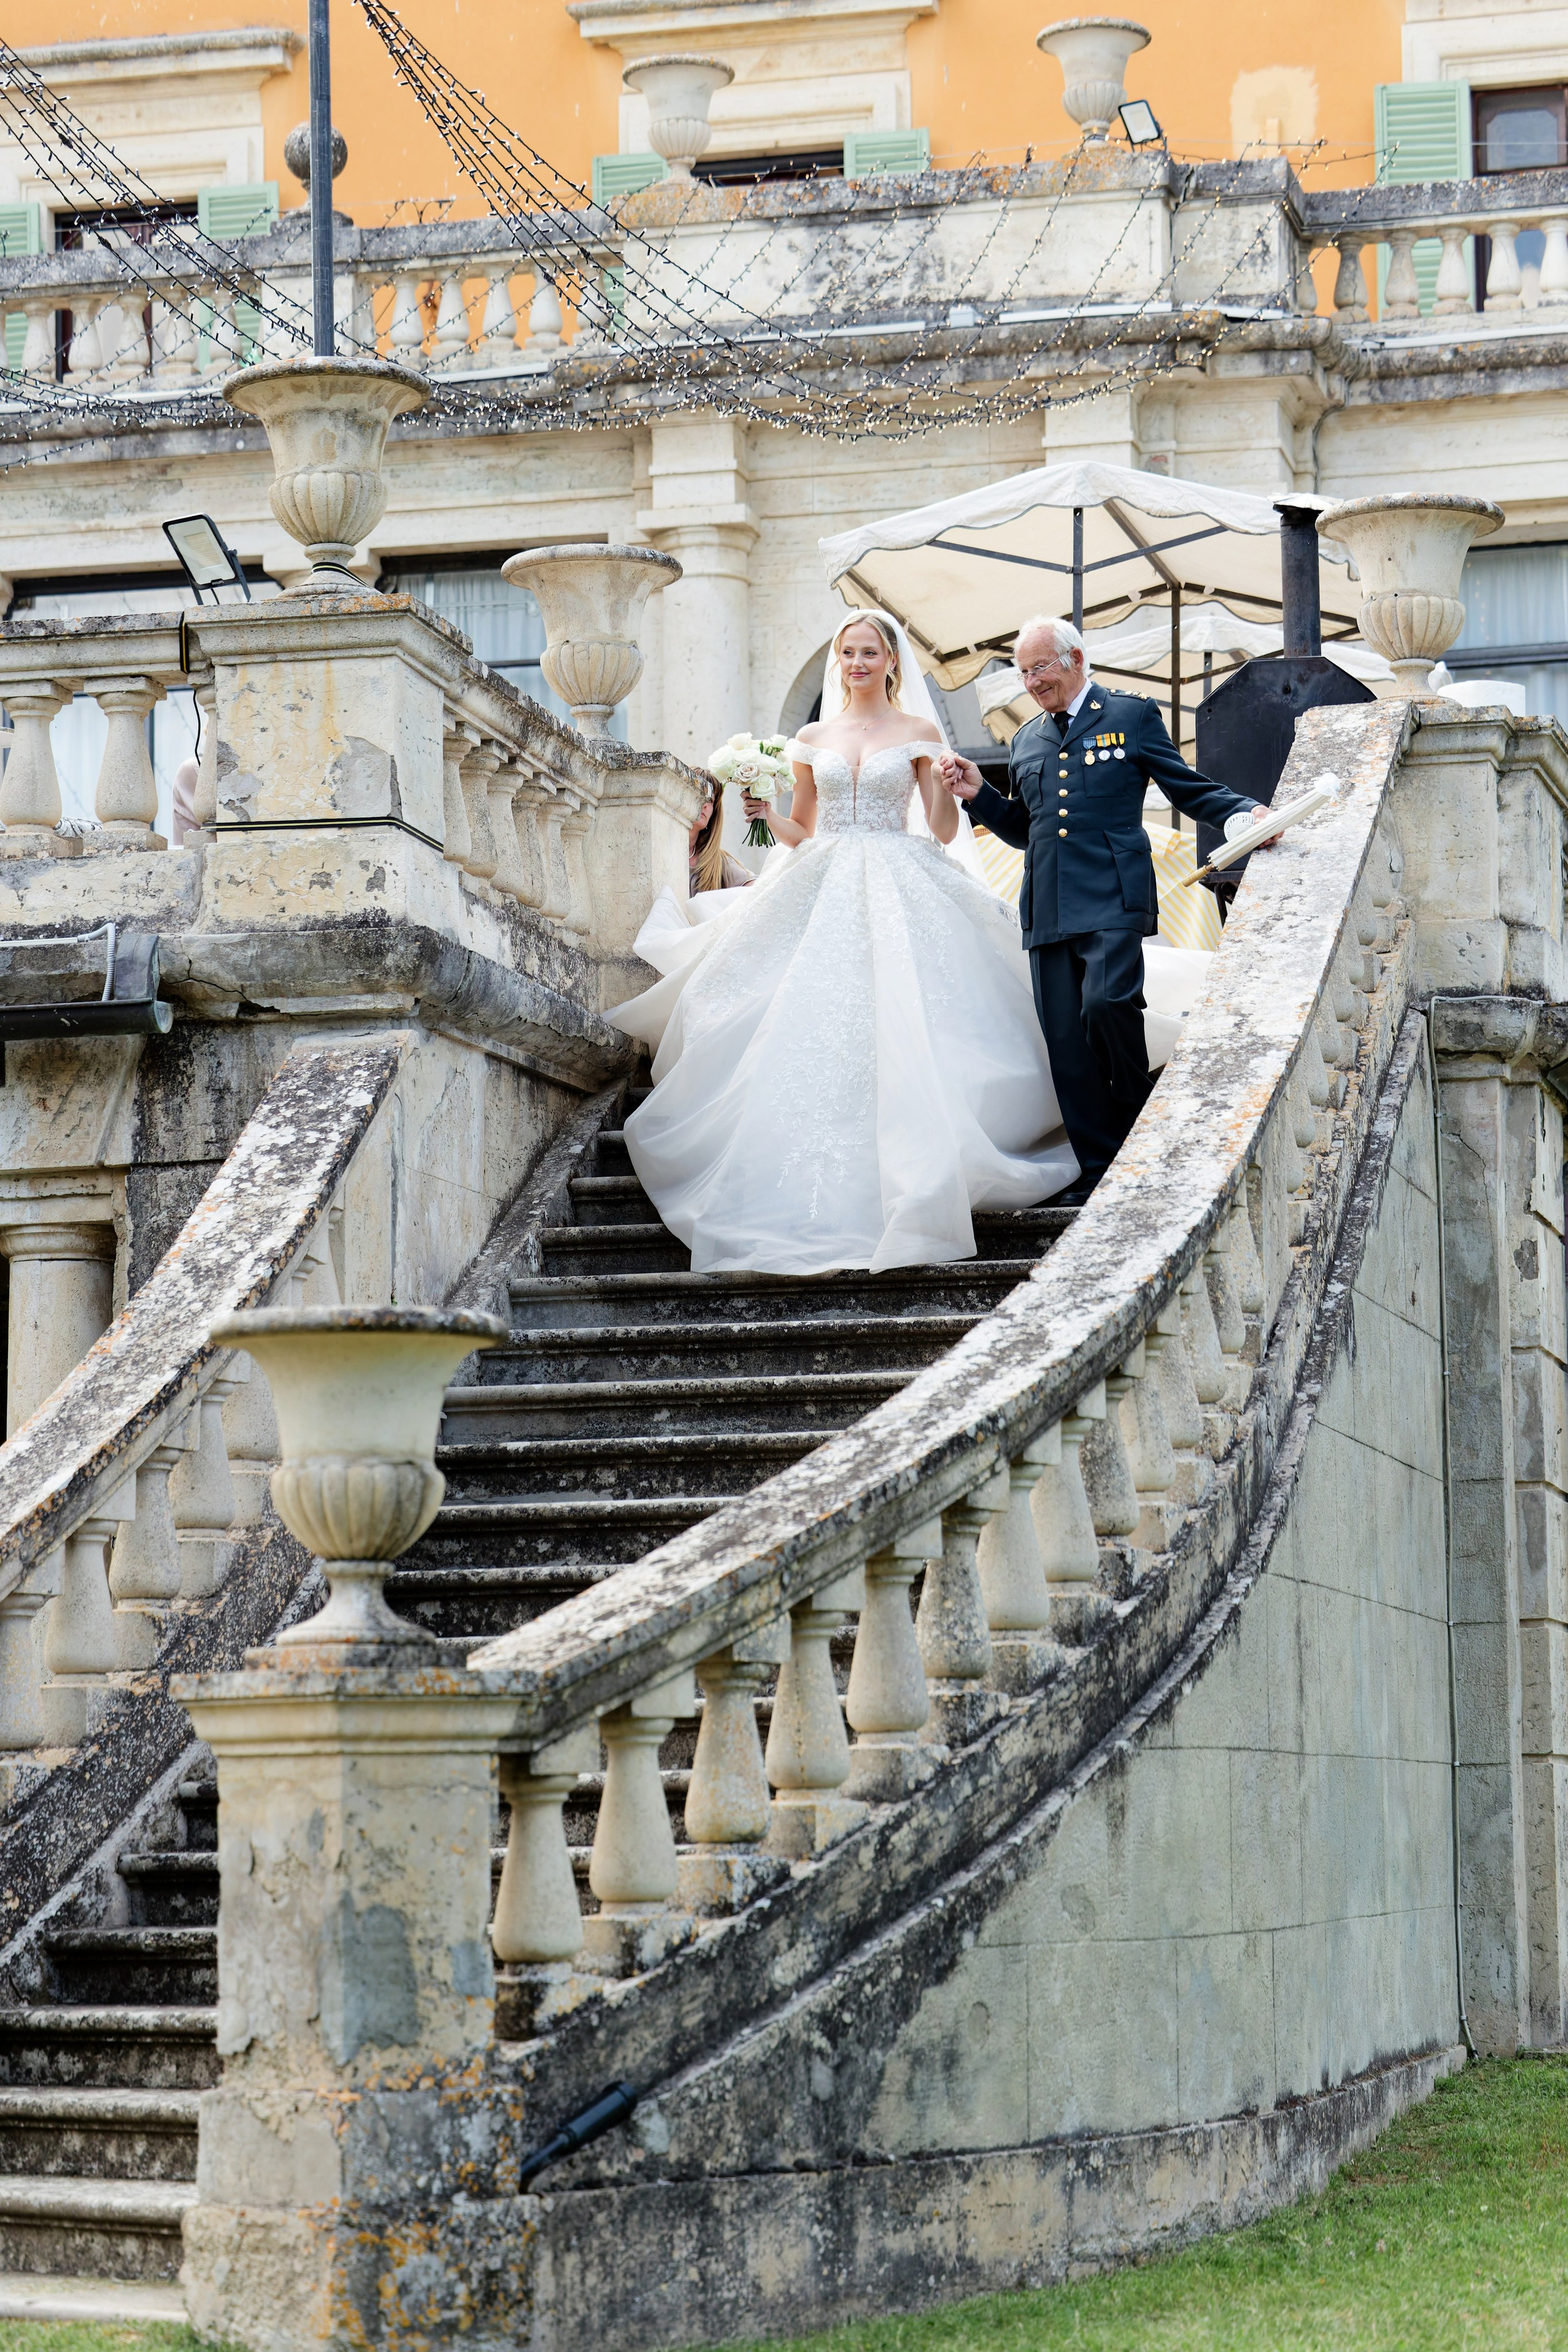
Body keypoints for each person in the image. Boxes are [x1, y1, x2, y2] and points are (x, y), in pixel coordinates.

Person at [606, 611, 1079, 1275]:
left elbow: (941, 831)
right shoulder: (811, 735)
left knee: (908, 1014)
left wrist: (948, 789)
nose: (856, 663)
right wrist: (767, 815)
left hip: (899, 870)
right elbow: (802, 829)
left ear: (890, 660)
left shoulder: (916, 731)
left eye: (868, 652)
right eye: (847, 653)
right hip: (823, 875)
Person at [941, 616, 1275, 1204]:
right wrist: (981, 795)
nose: (1031, 682)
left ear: (1073, 659)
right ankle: (1099, 1171)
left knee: (1109, 1004)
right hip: (1047, 905)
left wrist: (1244, 814)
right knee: (1066, 1044)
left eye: (1039, 667)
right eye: (1022, 672)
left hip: (1114, 896)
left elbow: (1185, 786)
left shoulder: (1130, 716)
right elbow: (1026, 830)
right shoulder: (1025, 740)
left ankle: (1139, 1129)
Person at [689, 778, 753, 893]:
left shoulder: (719, 861)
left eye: (710, 800)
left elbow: (756, 890)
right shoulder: (660, 847)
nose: (704, 804)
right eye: (698, 793)